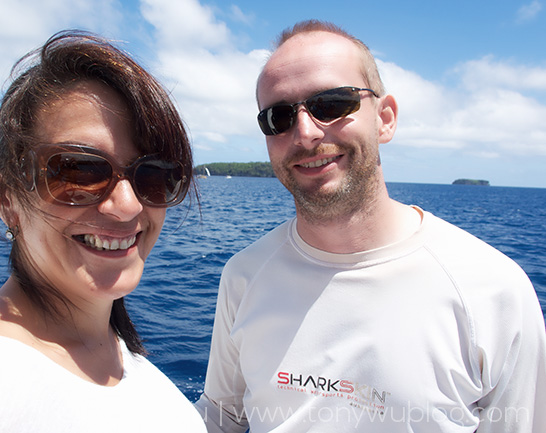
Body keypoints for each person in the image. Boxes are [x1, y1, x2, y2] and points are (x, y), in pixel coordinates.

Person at [195, 20, 546, 432]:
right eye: (279, 117)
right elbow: (223, 419)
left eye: (331, 103)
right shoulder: (244, 275)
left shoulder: (494, 291)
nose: (305, 133)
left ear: (385, 119)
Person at [0, 31, 205, 432]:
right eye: (78, 171)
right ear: (6, 197)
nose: (128, 205)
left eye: (155, 175)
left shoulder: (116, 356)